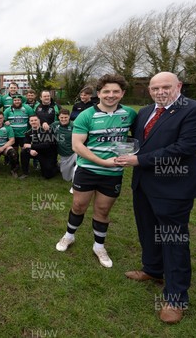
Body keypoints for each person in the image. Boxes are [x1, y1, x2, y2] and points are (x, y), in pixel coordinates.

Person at [115, 72, 196, 324]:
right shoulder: (145, 111)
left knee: (173, 238)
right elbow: (137, 141)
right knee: (147, 230)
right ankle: (153, 269)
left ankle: (176, 298)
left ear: (178, 86)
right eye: (154, 87)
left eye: (166, 87)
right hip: (144, 184)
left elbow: (184, 148)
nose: (160, 91)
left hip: (174, 187)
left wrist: (138, 160)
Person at [55, 74, 137, 269]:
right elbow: (77, 145)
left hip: (113, 173)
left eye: (115, 91)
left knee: (102, 210)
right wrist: (103, 162)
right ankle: (69, 236)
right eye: (106, 91)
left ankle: (99, 246)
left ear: (122, 93)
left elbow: (139, 138)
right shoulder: (86, 115)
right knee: (78, 206)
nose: (111, 95)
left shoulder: (130, 114)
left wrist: (133, 156)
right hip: (88, 169)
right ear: (98, 93)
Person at [51, 109, 76, 182]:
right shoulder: (55, 125)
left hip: (75, 152)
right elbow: (45, 131)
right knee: (66, 178)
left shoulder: (74, 125)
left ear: (69, 117)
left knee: (79, 168)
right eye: (62, 117)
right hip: (63, 154)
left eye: (65, 117)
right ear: (59, 117)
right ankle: (61, 165)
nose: (63, 119)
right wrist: (44, 124)